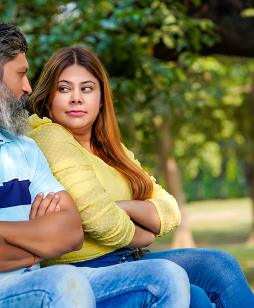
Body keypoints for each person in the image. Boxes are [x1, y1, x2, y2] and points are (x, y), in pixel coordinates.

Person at [0, 21, 192, 308]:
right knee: (63, 280)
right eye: (21, 73)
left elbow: (71, 233)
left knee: (166, 277)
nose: (27, 87)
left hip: (38, 289)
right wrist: (36, 244)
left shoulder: (23, 148)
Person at [29, 45, 254, 308]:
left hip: (132, 258)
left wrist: (121, 206)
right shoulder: (49, 136)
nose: (76, 98)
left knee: (221, 266)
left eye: (87, 88)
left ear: (101, 99)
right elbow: (101, 222)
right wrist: (146, 234)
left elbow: (169, 208)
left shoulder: (112, 149)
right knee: (197, 298)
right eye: (64, 88)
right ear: (48, 98)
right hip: (84, 269)